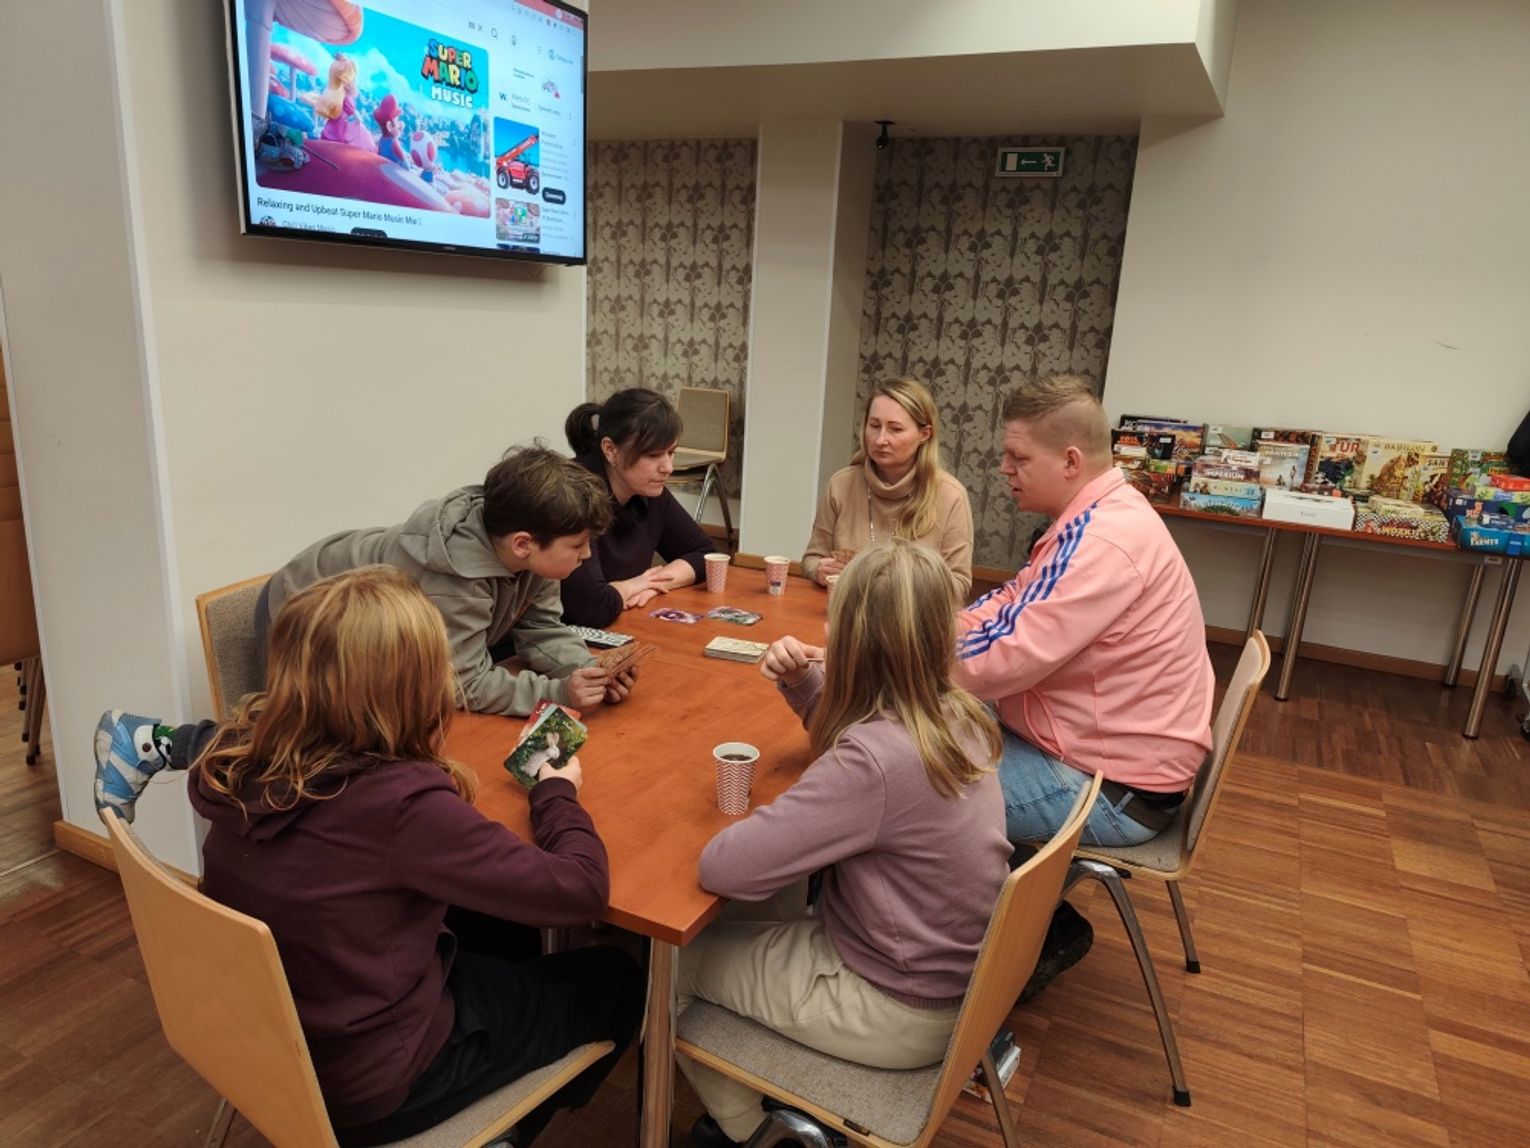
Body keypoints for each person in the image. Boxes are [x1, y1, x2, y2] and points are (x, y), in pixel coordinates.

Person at [94, 567, 644, 1145]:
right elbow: (582, 890)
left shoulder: (238, 757)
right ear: (417, 684)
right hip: (375, 1084)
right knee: (615, 978)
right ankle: (500, 1133)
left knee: (489, 921)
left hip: (263, 1048)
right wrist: (554, 790)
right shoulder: (401, 807)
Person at [675, 539, 1011, 1147]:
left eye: (835, 618)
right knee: (759, 908)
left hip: (891, 1005)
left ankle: (753, 1135)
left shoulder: (875, 763)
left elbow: (724, 868)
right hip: (947, 980)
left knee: (669, 963)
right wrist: (806, 685)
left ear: (853, 641)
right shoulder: (960, 715)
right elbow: (868, 774)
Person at [953, 374, 1214, 994]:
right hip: (1110, 756)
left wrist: (896, 653)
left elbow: (1004, 657)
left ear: (1070, 461)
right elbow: (1011, 604)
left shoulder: (1102, 541)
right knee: (926, 726)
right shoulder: (1097, 517)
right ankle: (1009, 912)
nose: (1004, 469)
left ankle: (1028, 933)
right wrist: (934, 632)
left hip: (1112, 788)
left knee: (908, 784)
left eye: (1018, 458)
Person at [258, 445, 632, 717]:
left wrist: (584, 671)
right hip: (303, 608)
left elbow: (540, 628)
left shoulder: (533, 552)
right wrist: (559, 693)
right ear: (523, 544)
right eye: (578, 545)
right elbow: (462, 684)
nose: (587, 555)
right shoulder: (449, 579)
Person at [802, 377, 974, 598]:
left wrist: (892, 582)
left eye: (895, 429)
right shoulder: (842, 484)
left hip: (912, 616)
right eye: (874, 426)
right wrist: (818, 570)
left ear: (924, 434)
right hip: (847, 610)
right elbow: (812, 559)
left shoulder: (950, 495)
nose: (880, 439)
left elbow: (959, 584)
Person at [560, 388, 713, 628]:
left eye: (671, 452)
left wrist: (650, 585)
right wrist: (633, 586)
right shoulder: (572, 496)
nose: (668, 467)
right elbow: (592, 608)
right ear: (610, 450)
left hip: (620, 621)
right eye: (653, 455)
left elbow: (705, 554)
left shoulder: (647, 489)